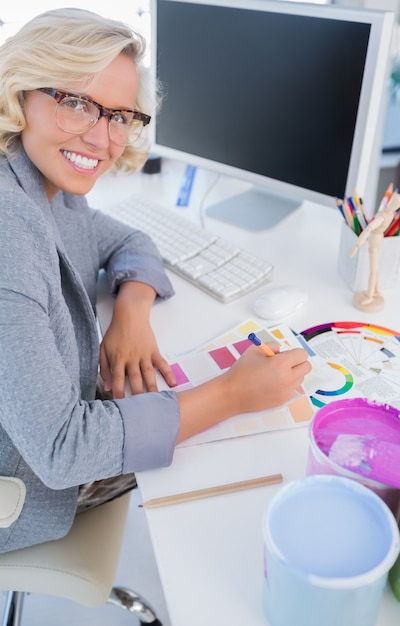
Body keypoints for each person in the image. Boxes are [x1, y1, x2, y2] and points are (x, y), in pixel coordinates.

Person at [0, 7, 311, 554]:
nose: (101, 137)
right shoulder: (8, 228)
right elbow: (61, 448)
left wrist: (131, 313)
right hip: (27, 481)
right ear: (21, 91)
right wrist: (230, 395)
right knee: (254, 475)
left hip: (51, 420)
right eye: (76, 102)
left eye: (119, 115)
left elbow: (130, 242)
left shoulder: (50, 185)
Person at [349, 192, 400, 311]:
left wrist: (357, 245)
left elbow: (368, 229)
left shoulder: (383, 215)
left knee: (373, 270)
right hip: (379, 239)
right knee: (376, 268)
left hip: (374, 241)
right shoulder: (390, 215)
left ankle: (370, 295)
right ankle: (377, 290)